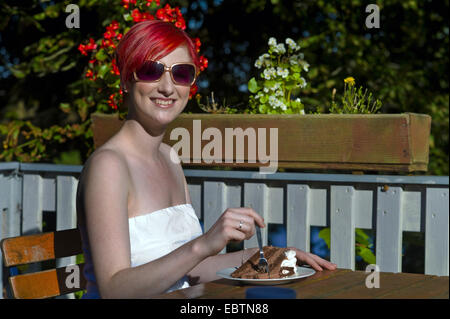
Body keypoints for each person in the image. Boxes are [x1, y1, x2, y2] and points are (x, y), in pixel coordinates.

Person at [76, 20, 336, 299]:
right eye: (151, 71)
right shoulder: (109, 166)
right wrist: (204, 244)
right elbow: (115, 289)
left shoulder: (169, 157)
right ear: (126, 80)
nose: (167, 87)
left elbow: (192, 270)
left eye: (182, 74)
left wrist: (271, 255)